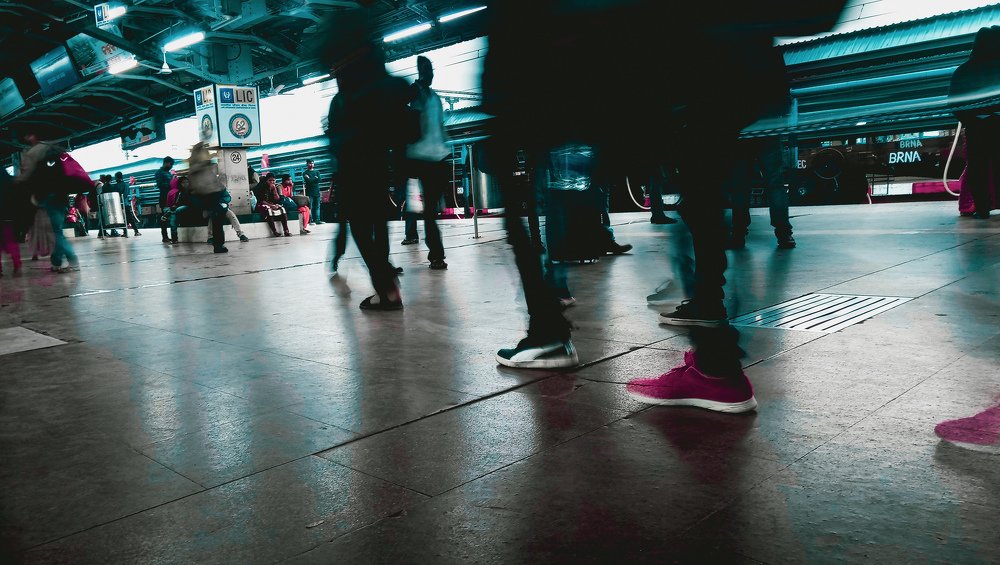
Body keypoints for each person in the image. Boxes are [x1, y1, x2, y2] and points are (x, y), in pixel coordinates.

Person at [483, 1, 845, 411]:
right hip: (726, 65)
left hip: (662, 65)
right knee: (698, 198)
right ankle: (713, 352)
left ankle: (560, 332)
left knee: (586, 190)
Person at [320, 8, 415, 310]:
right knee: (378, 222)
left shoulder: (344, 96)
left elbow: (337, 143)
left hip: (353, 166)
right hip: (377, 163)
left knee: (360, 228)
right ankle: (386, 283)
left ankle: (386, 289)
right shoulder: (374, 70)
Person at [397, 55, 450, 270]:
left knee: (426, 207)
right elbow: (398, 106)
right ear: (421, 72)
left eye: (431, 70)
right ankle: (435, 254)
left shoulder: (433, 97)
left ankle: (430, 249)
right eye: (427, 70)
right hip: (422, 158)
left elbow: (439, 126)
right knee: (425, 207)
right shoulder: (416, 92)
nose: (431, 74)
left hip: (433, 158)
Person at [727, 136, 796, 249]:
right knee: (775, 184)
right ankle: (784, 233)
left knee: (740, 186)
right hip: (767, 133)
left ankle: (738, 233)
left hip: (742, 136)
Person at [253, 173, 292, 237]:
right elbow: (262, 200)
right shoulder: (262, 187)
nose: (272, 182)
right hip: (262, 204)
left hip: (271, 204)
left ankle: (286, 231)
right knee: (269, 210)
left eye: (273, 180)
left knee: (282, 209)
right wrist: (271, 206)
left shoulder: (274, 187)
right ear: (266, 180)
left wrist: (274, 190)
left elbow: (277, 199)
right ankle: (274, 231)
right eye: (270, 180)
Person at [0, 168, 21, 276]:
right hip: (8, 214)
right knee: (11, 240)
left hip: (5, 213)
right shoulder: (7, 177)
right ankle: (17, 265)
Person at [113, 171, 141, 236]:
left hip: (118, 204)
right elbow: (126, 194)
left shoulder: (115, 186)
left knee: (122, 218)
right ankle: (136, 231)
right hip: (125, 204)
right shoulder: (126, 185)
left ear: (117, 177)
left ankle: (125, 232)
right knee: (130, 217)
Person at [155, 157, 175, 242]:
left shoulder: (168, 173)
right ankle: (165, 236)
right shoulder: (159, 173)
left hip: (171, 197)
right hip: (164, 197)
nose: (171, 166)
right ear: (166, 163)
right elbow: (160, 185)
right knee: (164, 217)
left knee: (170, 216)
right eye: (171, 164)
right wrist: (171, 184)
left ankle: (170, 236)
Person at [303, 159, 324, 225]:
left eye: (312, 163)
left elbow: (319, 180)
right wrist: (315, 178)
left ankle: (318, 220)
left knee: (317, 206)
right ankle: (310, 221)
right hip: (309, 192)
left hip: (317, 192)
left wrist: (310, 179)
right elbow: (308, 181)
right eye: (310, 163)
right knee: (310, 207)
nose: (311, 164)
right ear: (307, 164)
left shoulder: (317, 172)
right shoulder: (305, 173)